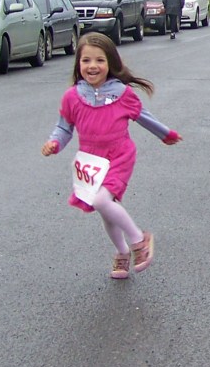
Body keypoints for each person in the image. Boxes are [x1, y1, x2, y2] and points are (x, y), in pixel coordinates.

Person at [41, 32, 182, 280]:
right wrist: (54, 143)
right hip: (90, 161)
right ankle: (122, 252)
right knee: (106, 208)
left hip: (119, 155)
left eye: (99, 60)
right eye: (86, 61)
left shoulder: (123, 93)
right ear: (78, 65)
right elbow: (64, 127)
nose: (92, 66)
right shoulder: (72, 96)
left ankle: (140, 240)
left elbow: (144, 117)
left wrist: (166, 134)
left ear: (110, 64)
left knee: (101, 201)